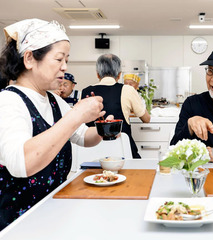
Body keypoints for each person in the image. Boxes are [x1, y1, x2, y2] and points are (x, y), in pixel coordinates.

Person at [0, 18, 107, 230]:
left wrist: (103, 128)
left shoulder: (54, 101)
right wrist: (76, 115)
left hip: (53, 213)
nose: (65, 67)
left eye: (67, 59)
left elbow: (84, 137)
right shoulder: (8, 101)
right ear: (29, 59)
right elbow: (22, 163)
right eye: (59, 59)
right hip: (18, 223)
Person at [81, 54, 151, 158]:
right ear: (119, 74)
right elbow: (146, 119)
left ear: (98, 74)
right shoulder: (127, 90)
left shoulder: (85, 92)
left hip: (92, 155)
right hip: (123, 154)